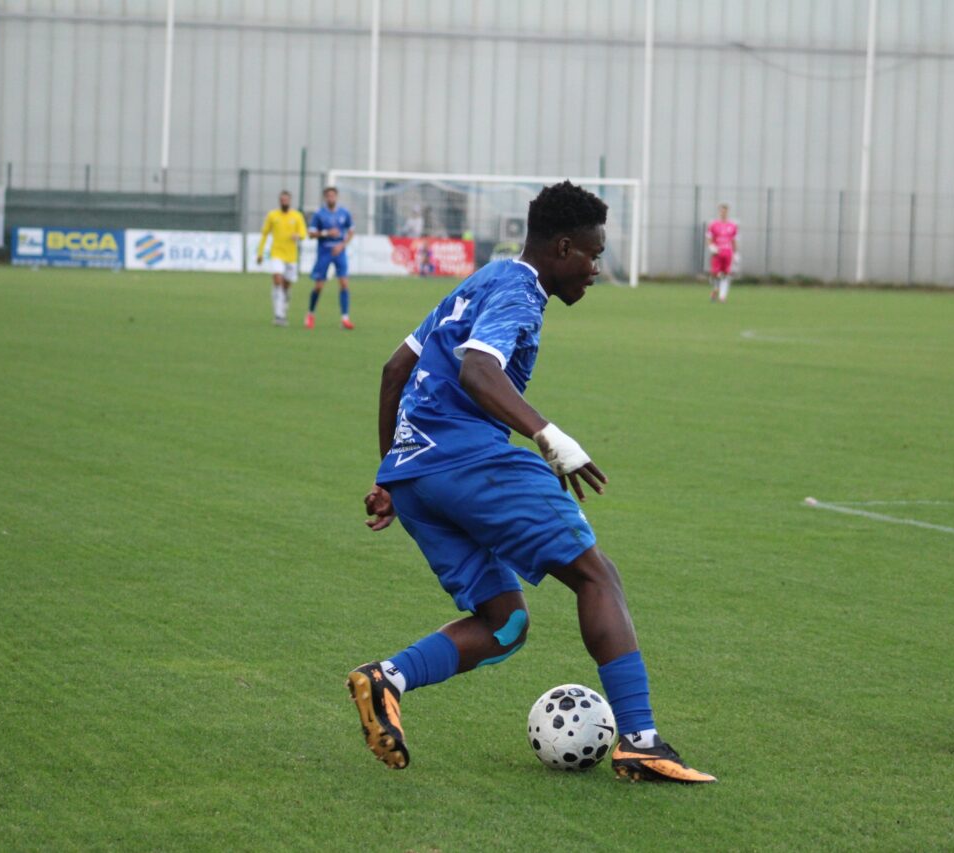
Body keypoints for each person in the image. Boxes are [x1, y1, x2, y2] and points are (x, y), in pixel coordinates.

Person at [348, 181, 715, 784]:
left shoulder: (483, 280)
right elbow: (478, 371)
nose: (597, 269)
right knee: (596, 575)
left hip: (417, 481)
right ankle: (643, 741)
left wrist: (391, 471)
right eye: (594, 255)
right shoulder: (519, 292)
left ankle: (387, 680)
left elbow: (396, 368)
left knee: (506, 622)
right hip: (470, 463)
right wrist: (551, 437)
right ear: (563, 247)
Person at [306, 186, 355, 330]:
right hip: (324, 251)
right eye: (328, 196)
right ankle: (310, 313)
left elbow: (351, 231)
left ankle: (345, 318)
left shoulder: (344, 212)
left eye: (333, 196)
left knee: (344, 284)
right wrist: (327, 233)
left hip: (339, 251)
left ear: (337, 197)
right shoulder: (319, 214)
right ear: (325, 198)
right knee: (319, 286)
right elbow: (311, 234)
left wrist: (342, 245)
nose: (331, 198)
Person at [256, 190, 306, 327]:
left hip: (291, 256)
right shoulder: (273, 215)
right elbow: (264, 234)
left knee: (286, 285)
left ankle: (284, 303)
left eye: (286, 200)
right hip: (276, 253)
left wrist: (298, 236)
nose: (284, 202)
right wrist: (260, 253)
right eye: (282, 200)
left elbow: (303, 233)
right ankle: (279, 315)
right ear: (279, 201)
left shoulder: (297, 216)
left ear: (290, 201)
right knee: (277, 280)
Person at [706, 203, 738, 303]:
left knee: (726, 274)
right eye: (721, 211)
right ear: (719, 212)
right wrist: (712, 247)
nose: (723, 213)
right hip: (717, 253)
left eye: (725, 211)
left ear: (727, 212)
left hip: (728, 253)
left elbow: (734, 240)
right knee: (715, 274)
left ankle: (722, 297)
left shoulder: (732, 225)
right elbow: (709, 238)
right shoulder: (713, 225)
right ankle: (716, 288)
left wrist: (736, 253)